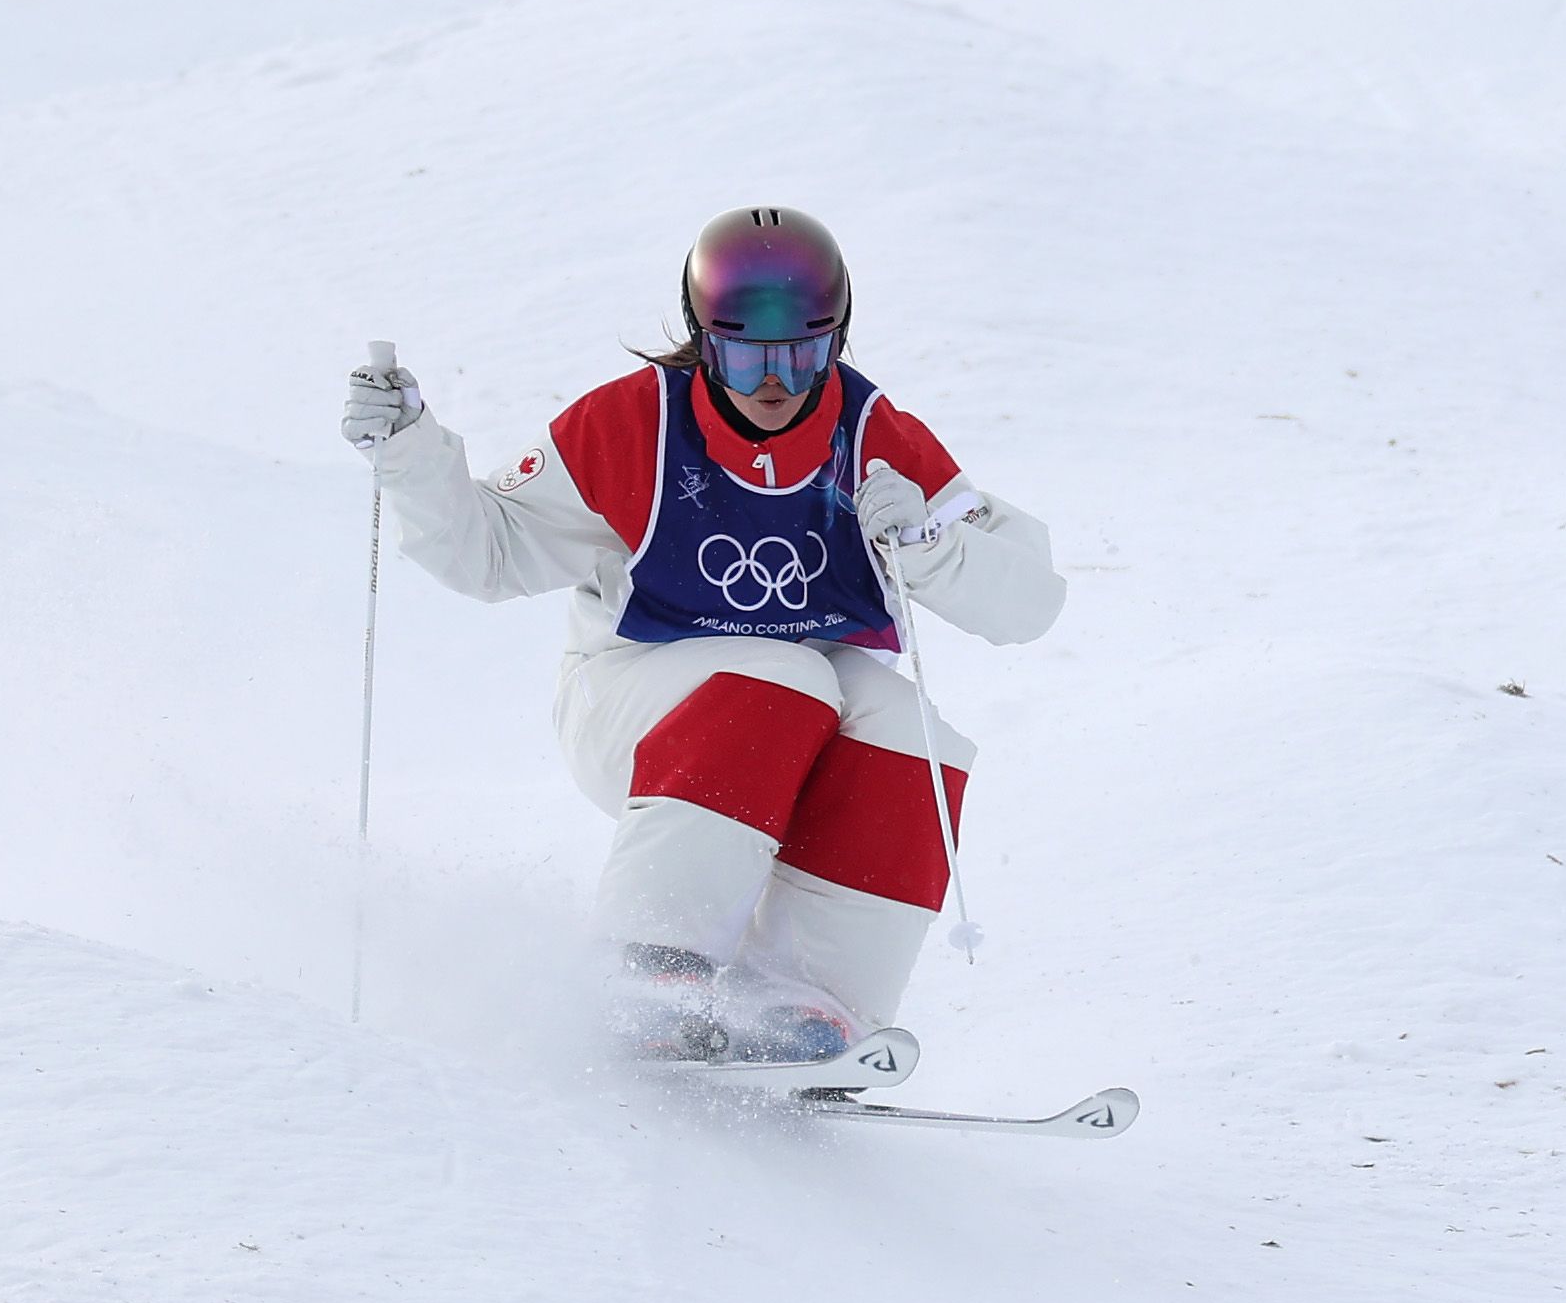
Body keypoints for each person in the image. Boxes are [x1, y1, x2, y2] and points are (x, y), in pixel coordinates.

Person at [339, 205, 1067, 1062]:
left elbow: (1029, 604)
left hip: (794, 720)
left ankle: (806, 1005)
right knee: (783, 680)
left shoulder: (874, 439)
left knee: (917, 735)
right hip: (632, 701)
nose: (775, 381)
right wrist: (413, 452)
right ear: (701, 337)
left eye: (803, 350)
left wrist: (931, 543)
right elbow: (488, 553)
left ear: (837, 339)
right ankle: (649, 969)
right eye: (746, 351)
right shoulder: (632, 428)